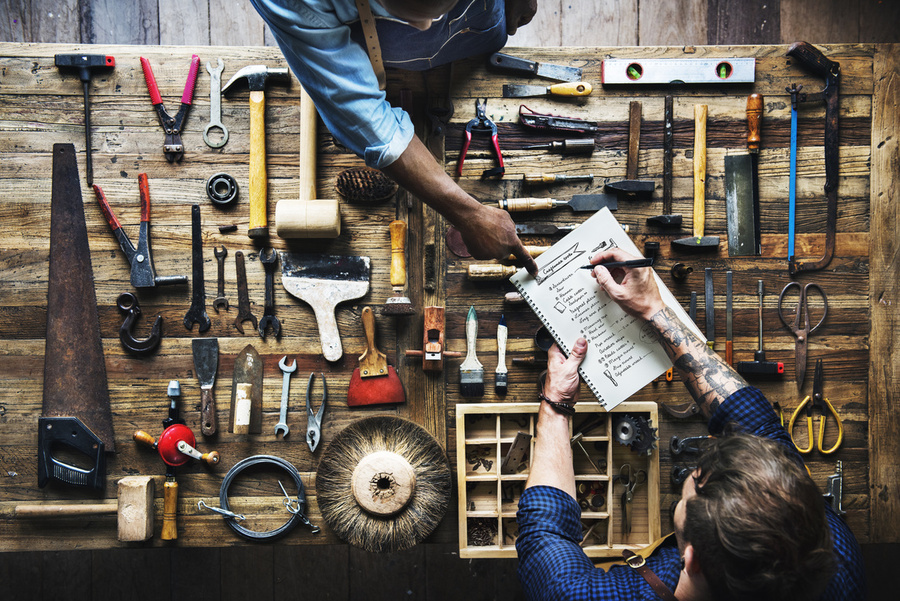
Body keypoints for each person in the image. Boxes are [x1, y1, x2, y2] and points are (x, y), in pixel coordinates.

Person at [516, 247, 866, 600]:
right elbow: (754, 420)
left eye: (695, 481)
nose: (693, 472)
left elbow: (544, 534)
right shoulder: (832, 551)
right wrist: (654, 310)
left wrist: (557, 401)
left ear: (691, 559)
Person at [249, 0, 539, 274]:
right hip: (375, 44)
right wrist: (468, 214)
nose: (426, 27)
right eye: (408, 10)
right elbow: (368, 120)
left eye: (440, 7)